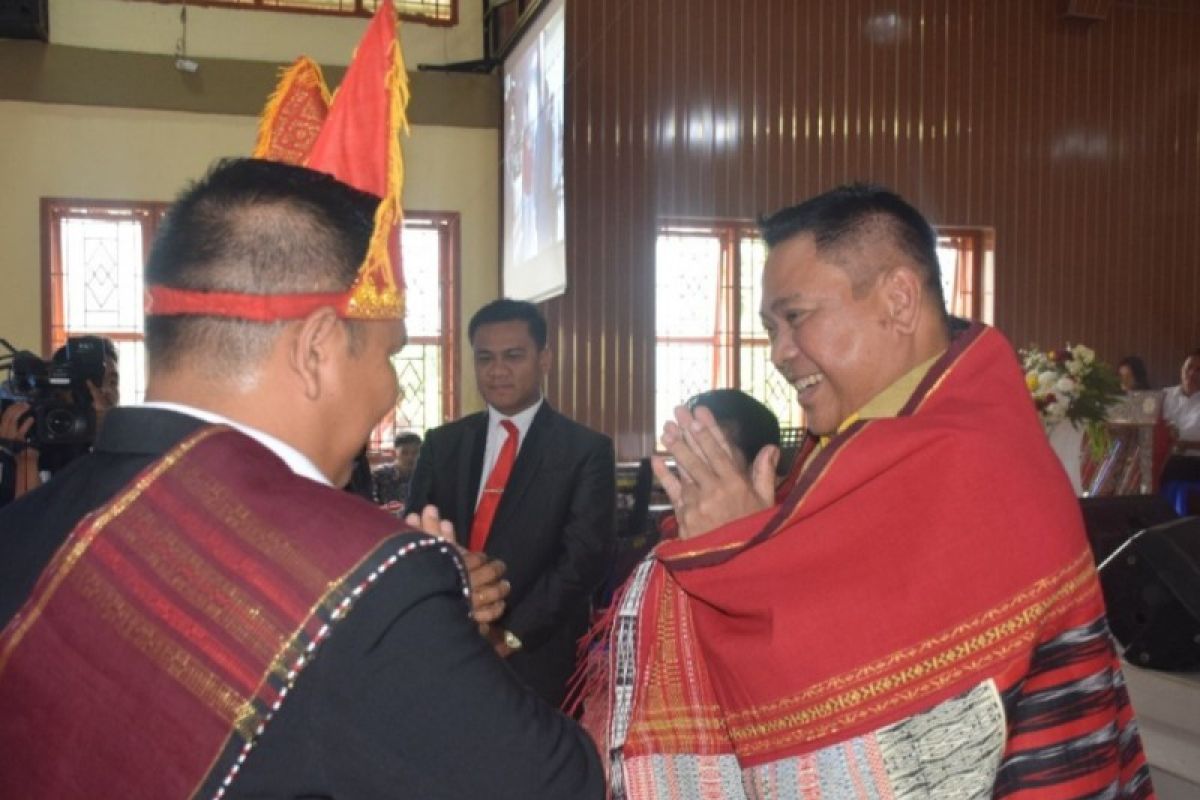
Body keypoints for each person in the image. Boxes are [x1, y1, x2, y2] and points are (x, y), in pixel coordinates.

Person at [0, 158, 602, 798]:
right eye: (390, 354)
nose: (392, 391)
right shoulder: (370, 584)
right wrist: (457, 634)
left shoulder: (22, 530)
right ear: (317, 350)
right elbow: (563, 785)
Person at [586, 185, 1151, 798]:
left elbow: (890, 730)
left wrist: (743, 557)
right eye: (770, 327)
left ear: (900, 300)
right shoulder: (864, 446)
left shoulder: (974, 462)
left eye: (796, 317)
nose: (780, 352)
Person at [407, 298, 616, 707]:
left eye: (513, 356)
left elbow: (583, 559)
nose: (497, 370)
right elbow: (414, 536)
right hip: (450, 644)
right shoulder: (443, 444)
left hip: (538, 653)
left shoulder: (584, 450)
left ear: (544, 359)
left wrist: (509, 635)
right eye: (485, 358)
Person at [657, 389, 780, 541]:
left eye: (712, 451)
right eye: (689, 447)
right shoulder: (672, 525)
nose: (693, 465)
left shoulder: (788, 531)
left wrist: (736, 537)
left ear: (758, 467)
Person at [1160, 348, 1200, 484]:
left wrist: (1187, 445)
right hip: (1162, 459)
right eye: (1189, 367)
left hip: (1193, 463)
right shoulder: (1164, 395)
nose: (1192, 373)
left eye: (1198, 370)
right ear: (1181, 369)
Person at [374, 431, 422, 505]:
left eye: (415, 452)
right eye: (404, 453)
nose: (410, 457)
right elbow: (370, 503)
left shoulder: (424, 476)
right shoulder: (379, 474)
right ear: (394, 453)